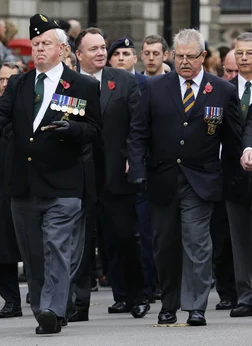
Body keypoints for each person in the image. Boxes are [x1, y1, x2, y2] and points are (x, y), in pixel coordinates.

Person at [0, 14, 101, 335]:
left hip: (63, 183)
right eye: (35, 45)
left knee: (57, 247)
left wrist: (72, 128)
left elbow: (93, 129)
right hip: (24, 184)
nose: (38, 50)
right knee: (33, 254)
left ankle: (52, 307)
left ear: (63, 49)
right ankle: (43, 308)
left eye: (45, 44)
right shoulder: (20, 84)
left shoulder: (83, 85)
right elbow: (1, 111)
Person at [128, 28, 242, 326]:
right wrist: (137, 170)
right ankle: (169, 303)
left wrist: (233, 177)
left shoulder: (222, 90)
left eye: (191, 56)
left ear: (203, 56)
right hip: (162, 177)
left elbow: (232, 140)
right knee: (165, 243)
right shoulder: (154, 87)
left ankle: (195, 306)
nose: (185, 62)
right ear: (172, 55)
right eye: (179, 56)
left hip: (201, 179)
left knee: (197, 242)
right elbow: (138, 133)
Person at [75, 28, 148, 319]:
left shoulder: (124, 80)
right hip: (79, 176)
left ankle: (136, 295)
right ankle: (78, 305)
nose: (101, 53)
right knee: (80, 243)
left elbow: (137, 125)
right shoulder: (70, 84)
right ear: (79, 55)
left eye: (103, 47)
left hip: (116, 174)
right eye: (93, 49)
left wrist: (134, 158)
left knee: (124, 238)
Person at [0, 62, 23, 319]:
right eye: (1, 79)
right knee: (1, 250)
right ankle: (11, 300)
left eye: (10, 80)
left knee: (32, 249)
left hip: (24, 187)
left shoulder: (28, 113)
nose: (4, 84)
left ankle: (40, 296)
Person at [229, 32, 252, 317]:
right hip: (234, 175)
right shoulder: (223, 89)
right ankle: (245, 295)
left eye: (250, 52)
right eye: (240, 52)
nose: (244, 57)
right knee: (239, 238)